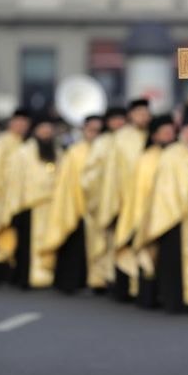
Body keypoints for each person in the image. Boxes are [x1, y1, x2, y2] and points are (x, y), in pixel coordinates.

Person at [142, 112, 188, 312]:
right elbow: (171, 186)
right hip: (174, 215)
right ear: (183, 132)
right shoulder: (172, 154)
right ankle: (176, 300)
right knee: (174, 260)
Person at [41, 115, 103, 294]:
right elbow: (66, 181)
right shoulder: (74, 152)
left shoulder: (105, 151)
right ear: (84, 130)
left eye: (98, 130)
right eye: (91, 130)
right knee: (74, 245)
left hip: (97, 208)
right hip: (76, 204)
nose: (94, 134)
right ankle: (72, 282)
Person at [96, 99, 151, 300]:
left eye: (146, 113)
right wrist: (114, 202)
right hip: (125, 200)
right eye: (139, 113)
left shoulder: (151, 136)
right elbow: (112, 174)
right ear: (131, 115)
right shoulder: (120, 139)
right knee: (123, 241)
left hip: (145, 201)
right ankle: (123, 288)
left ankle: (142, 288)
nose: (143, 117)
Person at [120, 115, 176, 308]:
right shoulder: (145, 159)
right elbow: (138, 191)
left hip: (171, 214)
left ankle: (166, 295)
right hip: (148, 215)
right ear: (154, 136)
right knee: (147, 258)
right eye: (165, 133)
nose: (169, 136)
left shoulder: (178, 155)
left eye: (171, 132)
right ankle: (148, 297)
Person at [1, 115, 62, 289]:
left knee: (50, 241)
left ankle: (48, 276)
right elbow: (15, 179)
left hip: (51, 205)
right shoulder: (23, 152)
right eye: (43, 129)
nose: (46, 133)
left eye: (49, 129)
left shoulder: (57, 152)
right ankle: (24, 278)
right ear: (35, 131)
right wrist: (16, 203)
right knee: (26, 245)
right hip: (29, 205)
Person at [82, 106, 127, 290]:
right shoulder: (102, 143)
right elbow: (90, 174)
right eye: (114, 119)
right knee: (105, 241)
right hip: (105, 200)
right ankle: (104, 277)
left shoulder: (131, 140)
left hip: (127, 200)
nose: (117, 123)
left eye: (120, 119)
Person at [0, 108, 31, 279]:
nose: (21, 126)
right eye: (18, 122)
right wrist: (3, 193)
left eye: (24, 123)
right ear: (11, 123)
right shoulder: (2, 142)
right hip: (5, 195)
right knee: (4, 231)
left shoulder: (27, 143)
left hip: (22, 197)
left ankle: (14, 272)